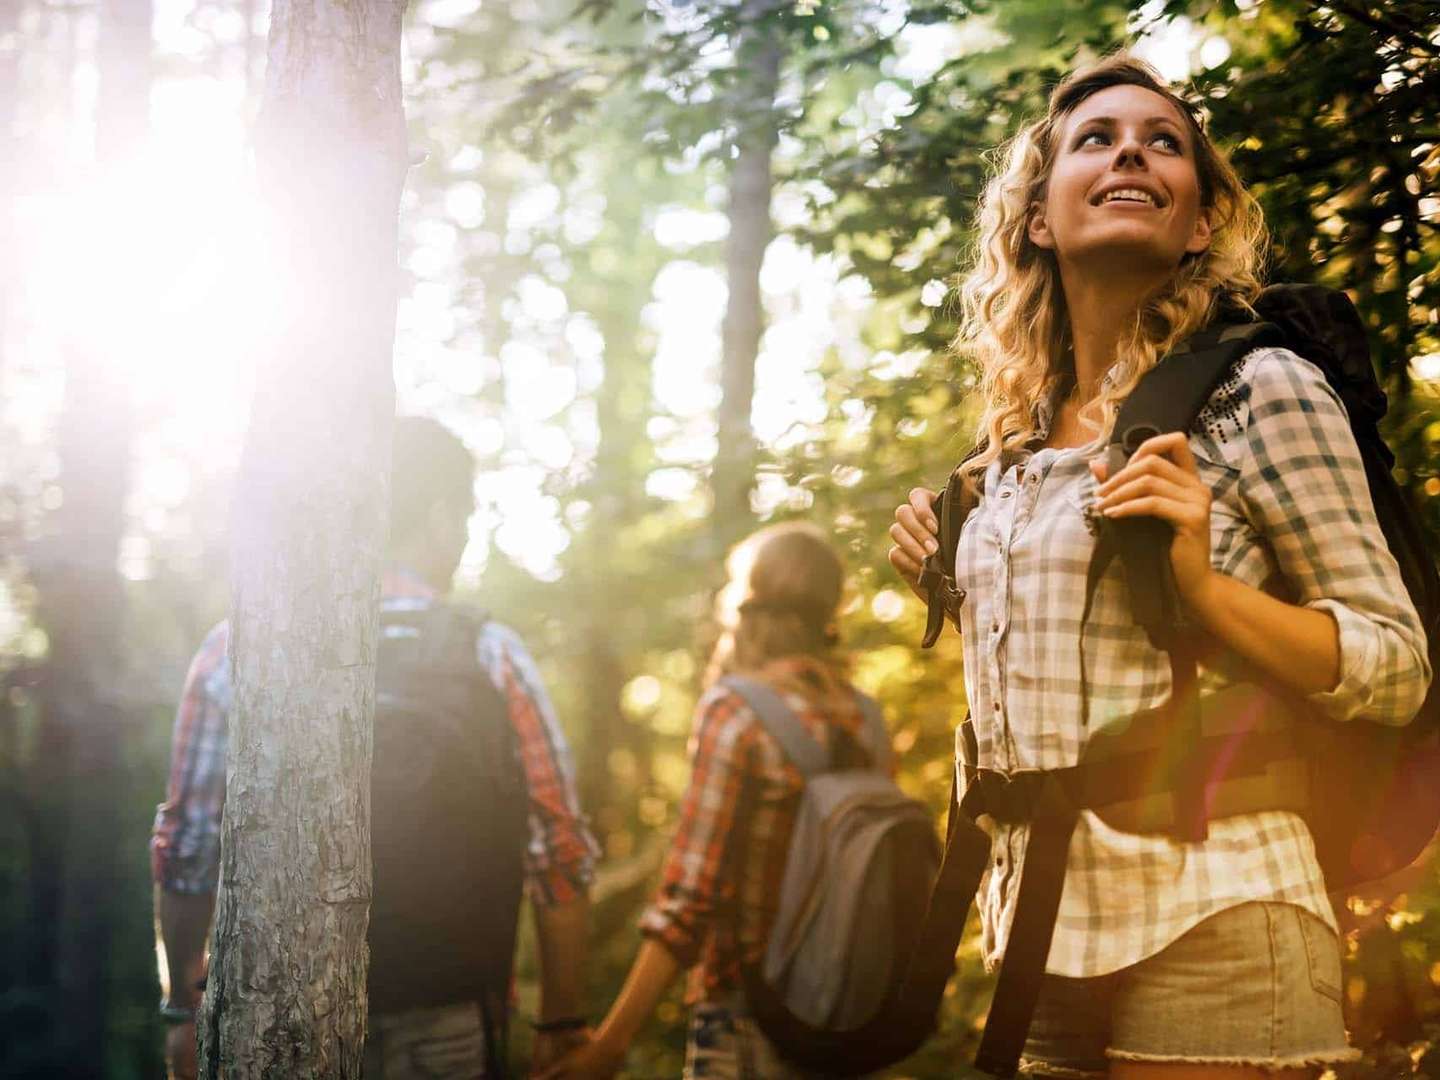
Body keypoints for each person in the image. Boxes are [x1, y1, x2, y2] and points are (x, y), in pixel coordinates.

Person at [886, 54, 1431, 1079]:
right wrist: (946, 578)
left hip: (1219, 911)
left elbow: (1396, 665)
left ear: (1196, 222)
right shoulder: (1007, 449)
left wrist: (1203, 584)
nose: (1130, 148)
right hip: (1039, 933)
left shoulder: (1264, 389)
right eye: (1095, 139)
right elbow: (1081, 678)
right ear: (1039, 217)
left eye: (1163, 142)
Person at [150, 416, 599, 1080]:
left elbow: (187, 848)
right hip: (448, 1014)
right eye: (466, 516)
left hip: (275, 1017)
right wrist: (562, 1022)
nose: (466, 536)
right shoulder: (490, 653)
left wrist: (184, 1011)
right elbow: (559, 850)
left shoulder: (238, 645)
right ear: (442, 514)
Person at [540, 522, 887, 1080]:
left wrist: (609, 1044)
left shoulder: (738, 711)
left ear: (747, 600)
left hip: (750, 1019)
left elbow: (689, 901)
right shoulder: (865, 718)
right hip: (844, 1015)